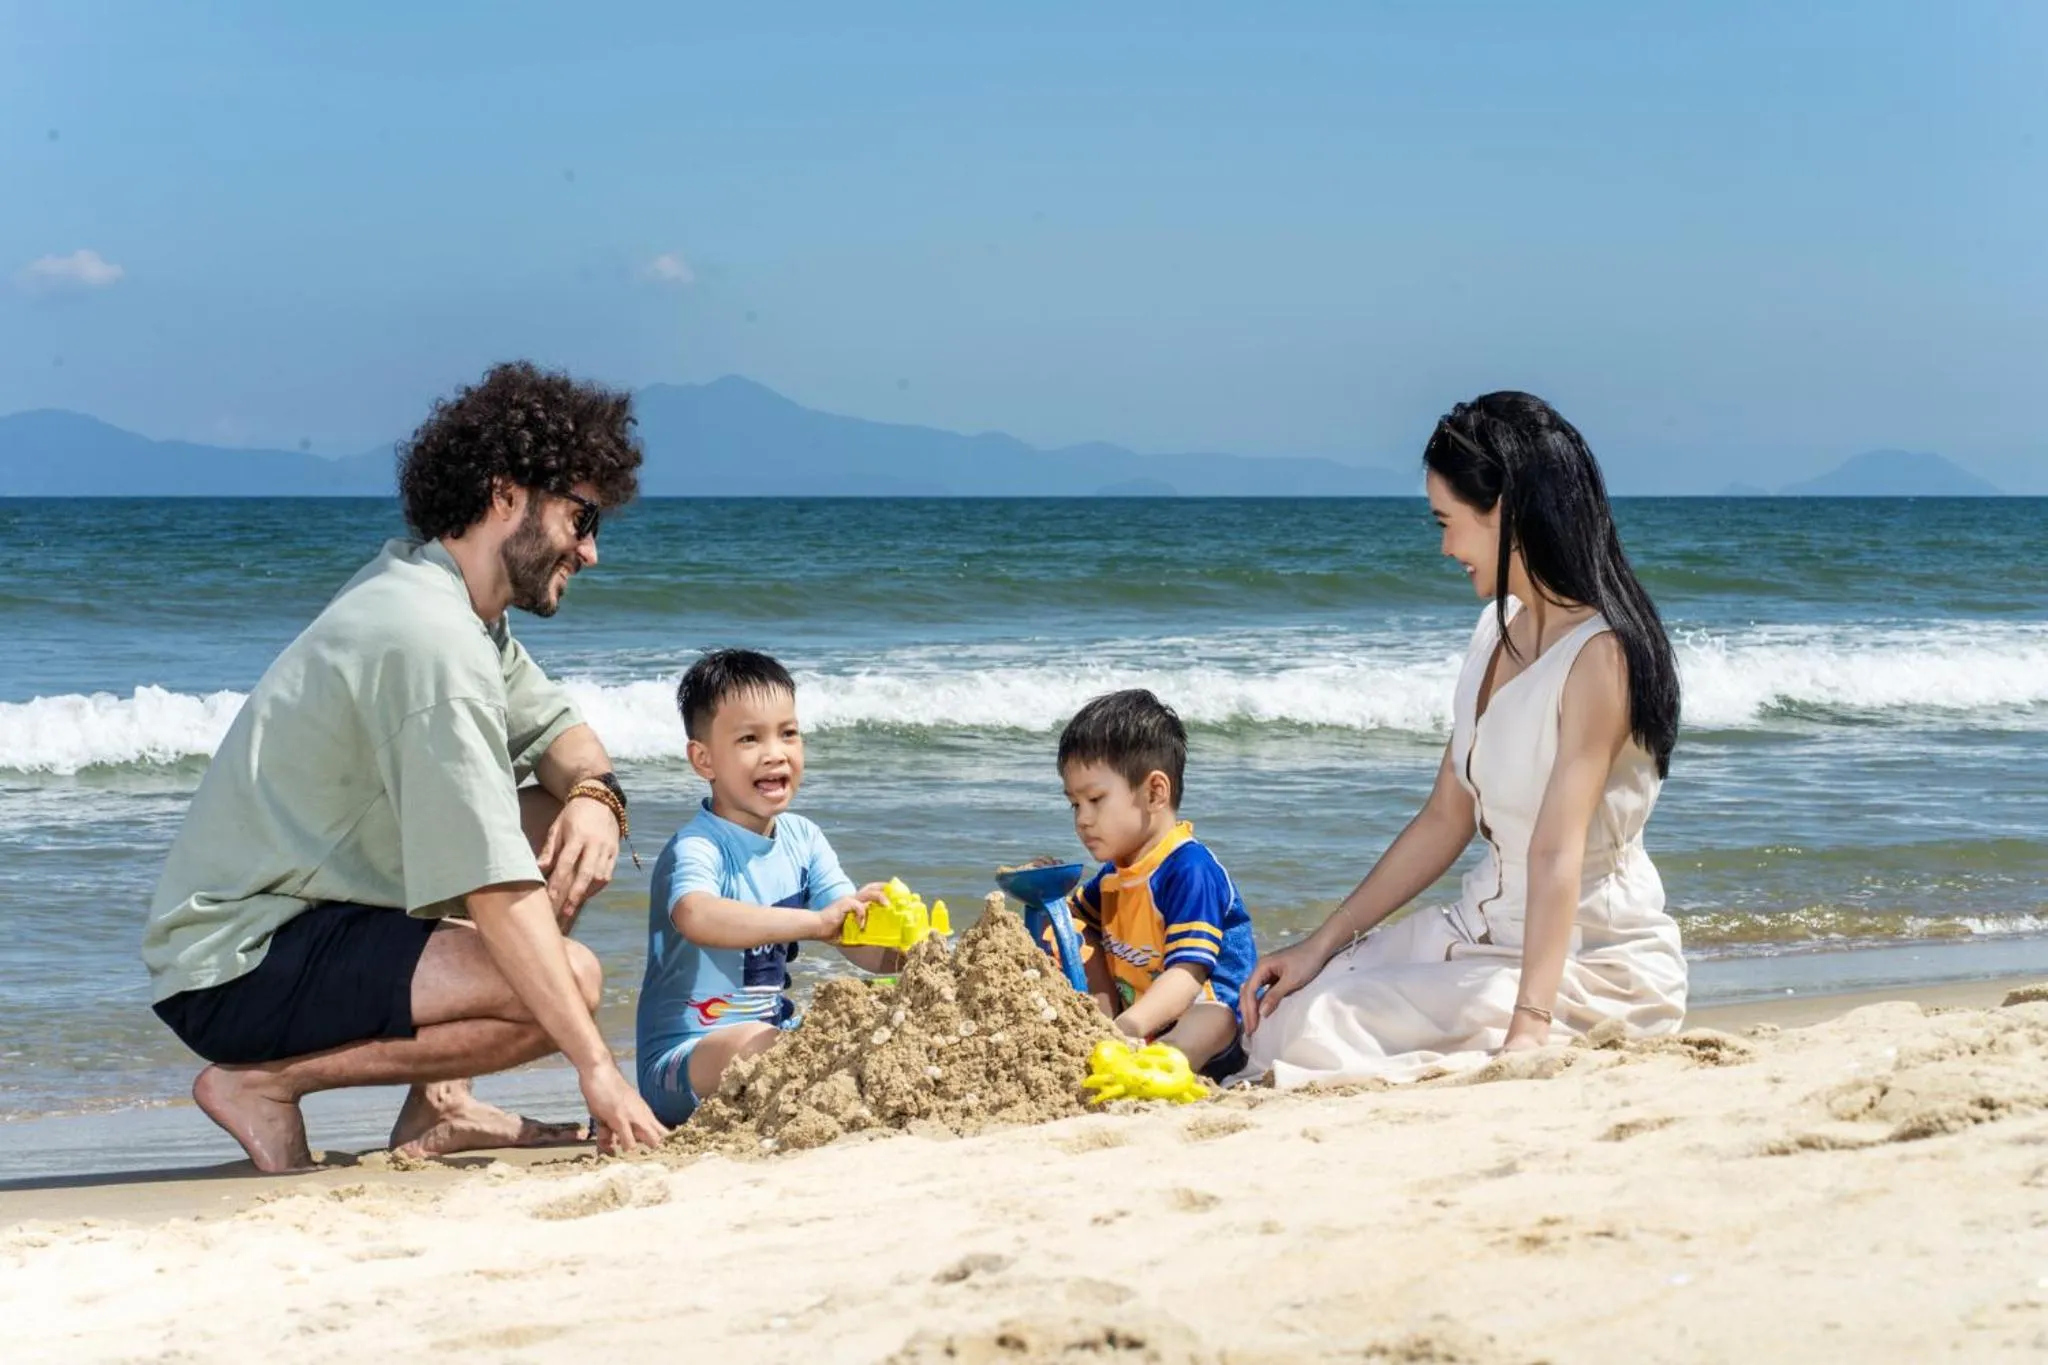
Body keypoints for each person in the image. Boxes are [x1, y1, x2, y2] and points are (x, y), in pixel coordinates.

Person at [142, 361, 669, 1172]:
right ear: (506, 495)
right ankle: (265, 1084)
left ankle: (440, 1105)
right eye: (582, 515)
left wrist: (597, 798)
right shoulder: (432, 640)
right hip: (239, 958)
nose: (592, 551)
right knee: (567, 987)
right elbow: (495, 887)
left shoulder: (452, 604)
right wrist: (598, 1071)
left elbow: (566, 737)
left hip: (310, 913)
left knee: (551, 819)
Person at [1238, 392, 1687, 1085]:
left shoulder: (1601, 657)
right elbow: (1445, 817)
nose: (1445, 546)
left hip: (1582, 956)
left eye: (1449, 522)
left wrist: (1529, 1025)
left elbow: (1555, 848)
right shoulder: (1495, 631)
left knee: (1321, 1026)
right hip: (1478, 927)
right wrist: (1319, 944)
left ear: (1505, 509)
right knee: (1288, 1005)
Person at [636, 649, 901, 1125]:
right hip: (685, 1061)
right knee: (753, 1044)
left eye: (789, 733)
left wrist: (908, 955)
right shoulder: (698, 847)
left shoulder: (803, 838)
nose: (775, 752)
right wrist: (816, 923)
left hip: (773, 1034)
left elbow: (849, 932)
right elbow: (697, 915)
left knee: (875, 1014)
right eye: (749, 739)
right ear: (704, 759)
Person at [1058, 689, 1258, 1081]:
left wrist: (1128, 1029)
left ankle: (1165, 1064)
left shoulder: (1189, 868)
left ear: (1154, 792)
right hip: (1139, 1017)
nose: (1082, 819)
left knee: (1212, 1019)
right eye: (1074, 804)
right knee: (1081, 934)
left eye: (1095, 799)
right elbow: (1069, 923)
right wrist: (1044, 893)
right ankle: (1100, 1029)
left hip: (1215, 1018)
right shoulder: (1116, 874)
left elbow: (1188, 974)